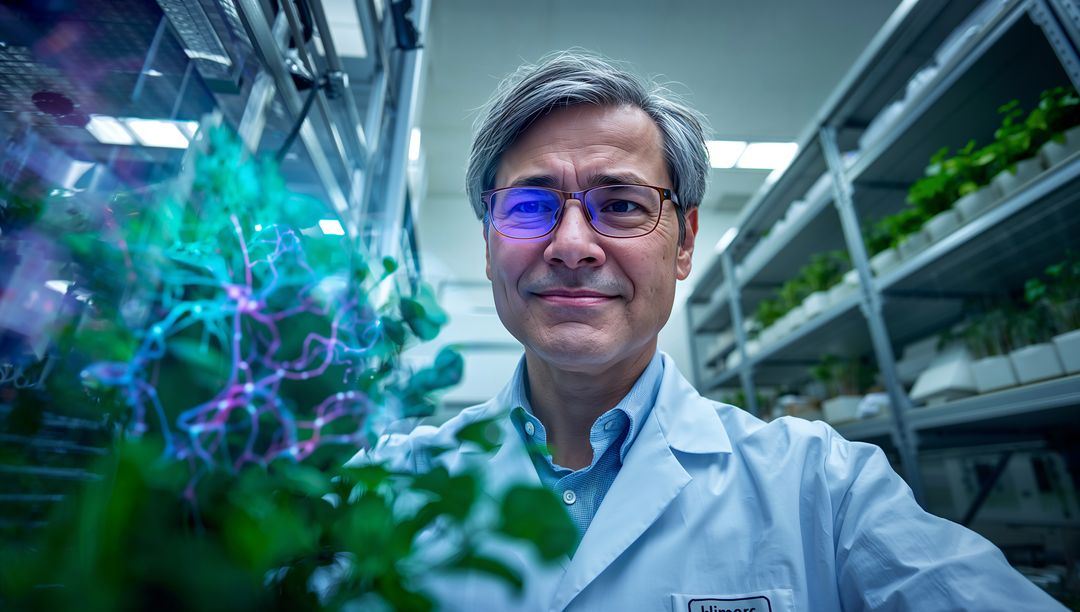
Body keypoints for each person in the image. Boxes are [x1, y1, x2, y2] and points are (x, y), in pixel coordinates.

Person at [353, 50, 1067, 611]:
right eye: (530, 206)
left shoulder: (825, 488)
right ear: (488, 243)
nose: (571, 244)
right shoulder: (386, 488)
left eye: (623, 204)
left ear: (685, 241)